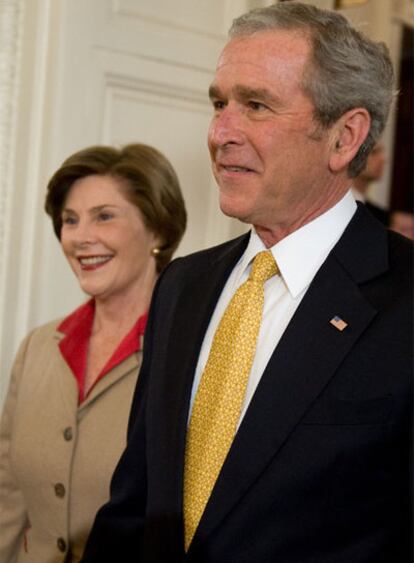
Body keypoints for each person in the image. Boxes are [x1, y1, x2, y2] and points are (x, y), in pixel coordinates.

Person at [82, 3, 413, 563]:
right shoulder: (182, 285)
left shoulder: (404, 298)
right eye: (219, 103)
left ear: (344, 137)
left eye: (255, 105)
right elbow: (134, 505)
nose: (219, 132)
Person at [0, 143, 186, 562]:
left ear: (157, 229)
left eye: (104, 216)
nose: (80, 237)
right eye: (70, 220)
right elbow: (8, 495)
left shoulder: (189, 355)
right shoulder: (37, 348)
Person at [352, 141, 390, 224]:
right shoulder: (339, 205)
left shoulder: (377, 214)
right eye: (374, 152)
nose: (383, 160)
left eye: (381, 152)